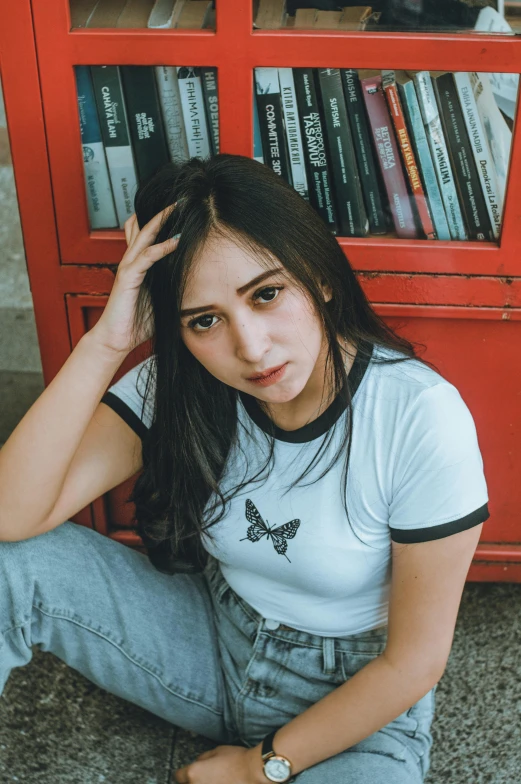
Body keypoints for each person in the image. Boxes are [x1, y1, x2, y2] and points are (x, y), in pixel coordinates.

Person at [0, 154, 489, 784]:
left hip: (357, 699)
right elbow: (13, 516)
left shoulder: (418, 416)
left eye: (266, 294)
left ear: (320, 276)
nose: (250, 348)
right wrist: (109, 343)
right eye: (205, 320)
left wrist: (260, 769)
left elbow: (413, 665)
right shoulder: (177, 384)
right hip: (212, 642)